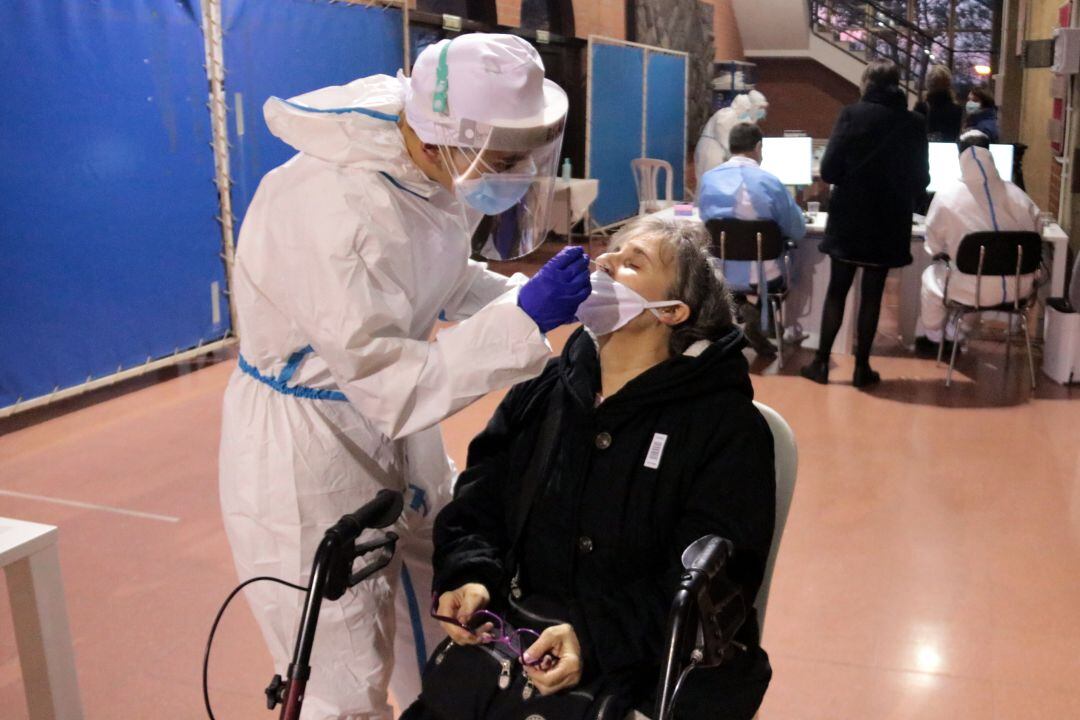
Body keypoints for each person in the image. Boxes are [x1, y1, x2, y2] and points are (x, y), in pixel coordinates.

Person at [219, 34, 591, 720]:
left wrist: (530, 296)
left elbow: (437, 281)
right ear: (442, 136)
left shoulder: (427, 168)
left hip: (389, 423)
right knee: (343, 665)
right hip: (310, 448)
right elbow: (390, 381)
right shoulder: (334, 208)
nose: (510, 177)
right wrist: (526, 321)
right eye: (504, 161)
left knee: (448, 592)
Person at [403, 215, 776, 720]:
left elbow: (712, 585)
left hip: (643, 664)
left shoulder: (724, 427)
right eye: (609, 252)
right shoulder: (542, 390)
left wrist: (592, 637)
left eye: (631, 263)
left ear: (671, 311)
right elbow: (478, 503)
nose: (604, 263)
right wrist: (470, 575)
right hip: (522, 644)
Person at [800, 60, 930, 387]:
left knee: (837, 292)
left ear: (867, 82)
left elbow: (829, 170)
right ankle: (862, 368)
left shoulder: (851, 114)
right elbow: (921, 178)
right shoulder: (915, 123)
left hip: (849, 219)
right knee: (872, 296)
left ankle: (820, 364)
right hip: (889, 222)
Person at [916, 130, 1041, 354]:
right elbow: (1038, 236)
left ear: (959, 157)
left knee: (933, 278)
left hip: (969, 289)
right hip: (1018, 291)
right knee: (975, 275)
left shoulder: (946, 197)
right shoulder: (1020, 197)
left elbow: (932, 247)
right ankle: (957, 331)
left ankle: (935, 336)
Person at [699, 122, 807, 357]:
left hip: (721, 272)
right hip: (764, 274)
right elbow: (796, 229)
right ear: (759, 147)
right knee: (788, 266)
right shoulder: (770, 182)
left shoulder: (708, 180)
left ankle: (742, 310)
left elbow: (705, 222)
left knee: (733, 276)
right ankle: (759, 318)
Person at [694, 90, 769, 189]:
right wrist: (735, 157)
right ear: (752, 106)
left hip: (720, 152)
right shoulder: (727, 114)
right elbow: (725, 137)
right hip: (712, 151)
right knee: (711, 185)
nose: (762, 113)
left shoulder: (742, 118)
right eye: (760, 108)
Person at [913, 65, 964, 142]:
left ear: (928, 84)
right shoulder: (957, 109)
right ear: (948, 84)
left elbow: (916, 134)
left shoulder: (921, 107)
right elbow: (954, 135)